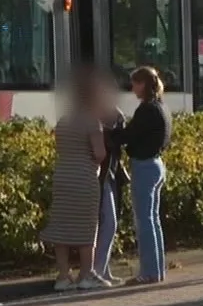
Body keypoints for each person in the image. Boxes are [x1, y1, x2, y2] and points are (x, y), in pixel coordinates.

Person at [40, 69, 107, 291]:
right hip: (84, 178)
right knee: (86, 228)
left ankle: (63, 276)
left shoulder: (63, 121)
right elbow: (99, 153)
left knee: (62, 226)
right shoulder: (92, 122)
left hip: (62, 177)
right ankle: (86, 275)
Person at [125, 66, 172, 285]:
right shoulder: (161, 107)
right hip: (157, 164)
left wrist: (109, 135)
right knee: (153, 221)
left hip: (143, 165)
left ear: (142, 84)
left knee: (144, 222)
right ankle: (157, 270)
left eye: (134, 84)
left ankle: (148, 273)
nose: (132, 88)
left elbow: (129, 135)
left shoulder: (146, 109)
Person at [87, 68, 126, 288]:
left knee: (110, 221)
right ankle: (97, 269)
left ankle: (104, 268)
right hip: (99, 174)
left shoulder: (114, 114)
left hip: (110, 173)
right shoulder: (92, 116)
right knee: (107, 221)